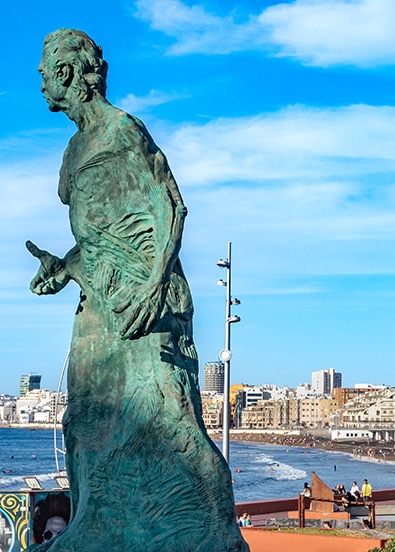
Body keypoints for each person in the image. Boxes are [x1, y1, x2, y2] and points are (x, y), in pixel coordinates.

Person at [26, 28, 248, 551]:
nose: (39, 82)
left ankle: (197, 530)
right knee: (85, 418)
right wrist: (63, 268)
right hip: (98, 305)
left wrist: (153, 286)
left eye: (43, 71)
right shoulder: (74, 150)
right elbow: (99, 239)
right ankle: (96, 527)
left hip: (142, 304)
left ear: (67, 72)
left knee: (163, 414)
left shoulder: (122, 130)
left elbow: (171, 206)